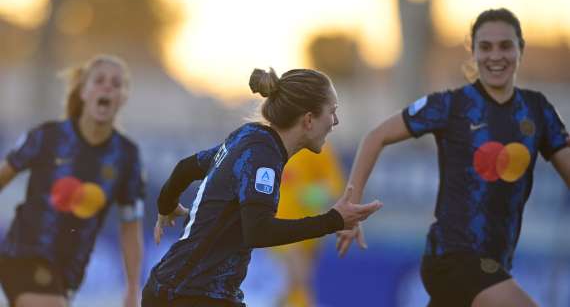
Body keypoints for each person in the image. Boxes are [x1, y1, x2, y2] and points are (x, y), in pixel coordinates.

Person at [336, 8, 570, 307]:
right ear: (473, 52)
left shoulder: (538, 110)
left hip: (496, 264)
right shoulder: (451, 105)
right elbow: (375, 137)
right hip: (453, 258)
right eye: (485, 47)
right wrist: (350, 209)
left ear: (520, 49)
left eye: (505, 46)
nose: (495, 55)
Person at [142, 68, 381, 307]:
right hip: (188, 296)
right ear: (308, 120)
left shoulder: (250, 136)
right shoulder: (263, 156)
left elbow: (186, 168)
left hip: (178, 289)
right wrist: (334, 220)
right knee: (296, 282)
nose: (335, 121)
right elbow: (258, 231)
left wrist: (167, 205)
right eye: (332, 112)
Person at [0, 55, 146, 307]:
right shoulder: (48, 136)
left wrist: (132, 288)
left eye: (116, 83)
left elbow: (130, 226)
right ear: (83, 91)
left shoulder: (126, 156)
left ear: (123, 97)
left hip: (68, 272)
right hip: (24, 254)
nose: (108, 87)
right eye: (99, 80)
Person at [272, 143, 345, 307]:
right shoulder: (274, 144)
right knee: (300, 276)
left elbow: (335, 184)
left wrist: (312, 193)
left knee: (294, 282)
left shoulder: (319, 148)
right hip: (280, 224)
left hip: (311, 227)